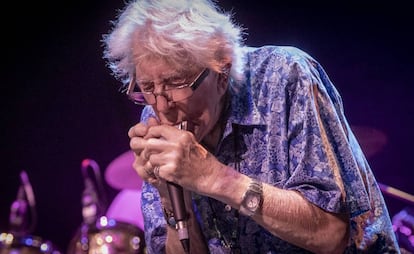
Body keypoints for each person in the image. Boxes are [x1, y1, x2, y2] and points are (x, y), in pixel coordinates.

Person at [102, 0, 400, 253]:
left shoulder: (284, 77)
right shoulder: (154, 117)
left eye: (176, 83)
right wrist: (169, 193)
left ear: (222, 71)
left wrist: (213, 177)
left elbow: (332, 236)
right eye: (147, 87)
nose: (162, 106)